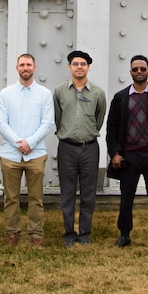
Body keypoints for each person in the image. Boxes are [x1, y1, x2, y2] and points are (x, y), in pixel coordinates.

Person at [106, 55, 148, 247]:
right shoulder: (120, 98)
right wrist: (115, 153)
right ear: (130, 72)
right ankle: (124, 234)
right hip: (129, 156)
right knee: (126, 197)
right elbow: (111, 129)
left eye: (142, 69)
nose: (139, 72)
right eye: (135, 69)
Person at [0, 53, 54, 246]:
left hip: (35, 153)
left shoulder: (45, 94)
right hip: (10, 154)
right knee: (11, 197)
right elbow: (1, 123)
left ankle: (36, 234)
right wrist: (18, 143)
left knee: (36, 197)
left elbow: (48, 123)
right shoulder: (5, 94)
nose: (25, 68)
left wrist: (29, 143)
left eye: (29, 65)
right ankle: (13, 233)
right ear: (16, 68)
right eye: (22, 65)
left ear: (35, 68)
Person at [53, 49, 107, 247]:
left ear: (88, 67)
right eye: (75, 64)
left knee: (88, 193)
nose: (79, 67)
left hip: (89, 149)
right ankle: (69, 233)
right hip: (66, 148)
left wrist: (88, 133)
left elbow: (99, 119)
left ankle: (84, 233)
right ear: (69, 67)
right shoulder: (59, 91)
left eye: (83, 64)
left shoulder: (98, 93)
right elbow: (57, 118)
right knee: (67, 193)